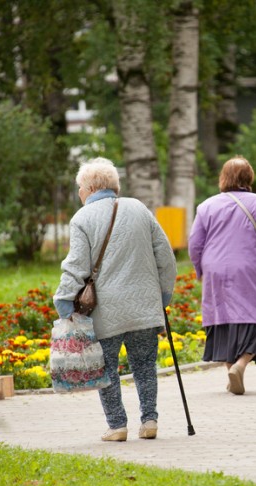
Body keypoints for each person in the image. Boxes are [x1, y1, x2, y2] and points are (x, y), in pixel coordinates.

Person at [53, 157, 177, 442]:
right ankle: (149, 421)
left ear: (91, 187)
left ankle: (117, 426)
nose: (79, 194)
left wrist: (63, 302)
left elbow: (76, 266)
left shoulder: (81, 219)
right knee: (145, 366)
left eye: (79, 188)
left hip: (106, 312)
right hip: (145, 307)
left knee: (106, 369)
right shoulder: (139, 208)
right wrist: (163, 296)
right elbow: (166, 258)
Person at [188, 156, 256, 395]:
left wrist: (199, 269)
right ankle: (241, 364)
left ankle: (231, 369)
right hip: (248, 267)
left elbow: (194, 243)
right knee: (255, 315)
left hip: (215, 268)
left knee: (221, 316)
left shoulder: (206, 206)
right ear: (249, 177)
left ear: (223, 178)